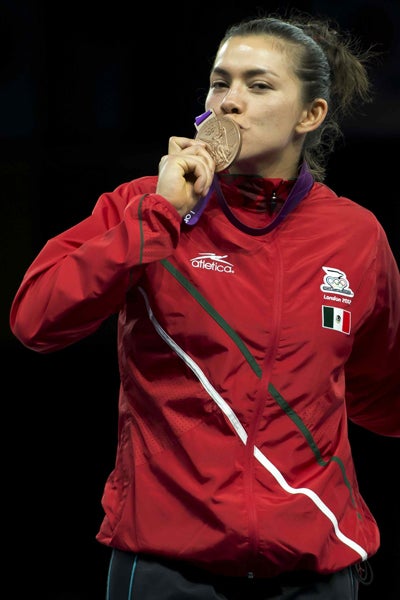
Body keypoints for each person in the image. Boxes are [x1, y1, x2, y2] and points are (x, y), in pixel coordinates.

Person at [9, 10, 400, 600]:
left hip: (315, 568)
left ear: (310, 115)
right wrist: (159, 217)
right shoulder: (143, 206)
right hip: (166, 565)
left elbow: (379, 390)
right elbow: (35, 319)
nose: (229, 101)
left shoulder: (355, 236)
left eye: (258, 85)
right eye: (221, 83)